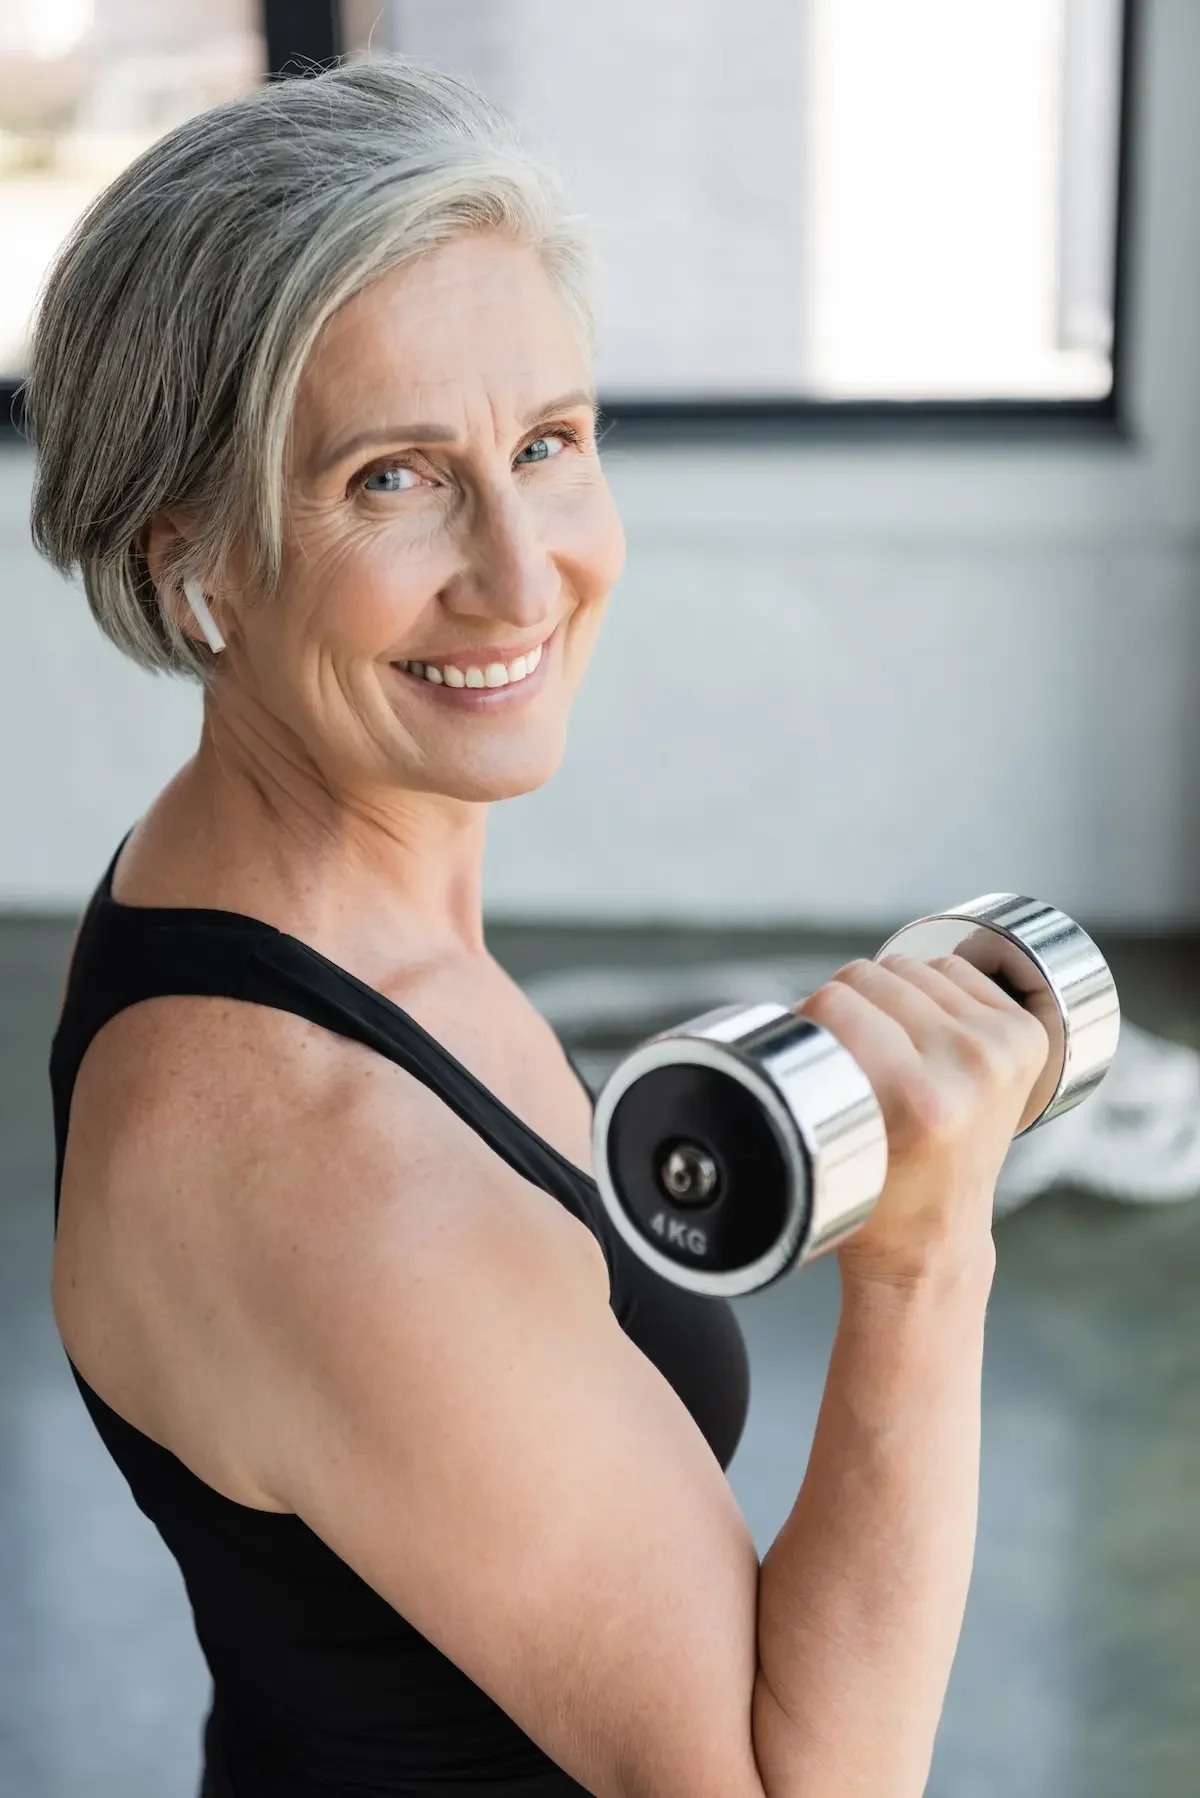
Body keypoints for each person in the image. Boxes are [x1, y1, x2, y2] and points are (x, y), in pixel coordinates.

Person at [29, 60, 1051, 1798]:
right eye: (393, 479)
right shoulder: (324, 1163)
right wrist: (927, 1257)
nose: (522, 574)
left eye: (547, 445)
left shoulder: (262, 893)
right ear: (194, 558)